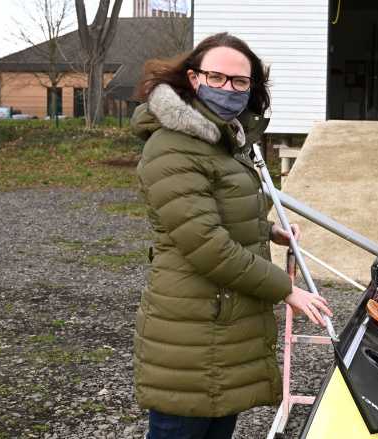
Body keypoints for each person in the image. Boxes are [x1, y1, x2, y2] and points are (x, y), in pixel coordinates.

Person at [130, 32, 333, 439]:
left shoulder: (221, 142)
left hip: (223, 321)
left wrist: (267, 229)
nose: (229, 89)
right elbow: (207, 245)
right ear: (193, 78)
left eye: (241, 82)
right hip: (191, 328)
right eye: (217, 77)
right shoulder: (173, 147)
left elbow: (222, 212)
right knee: (182, 426)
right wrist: (285, 289)